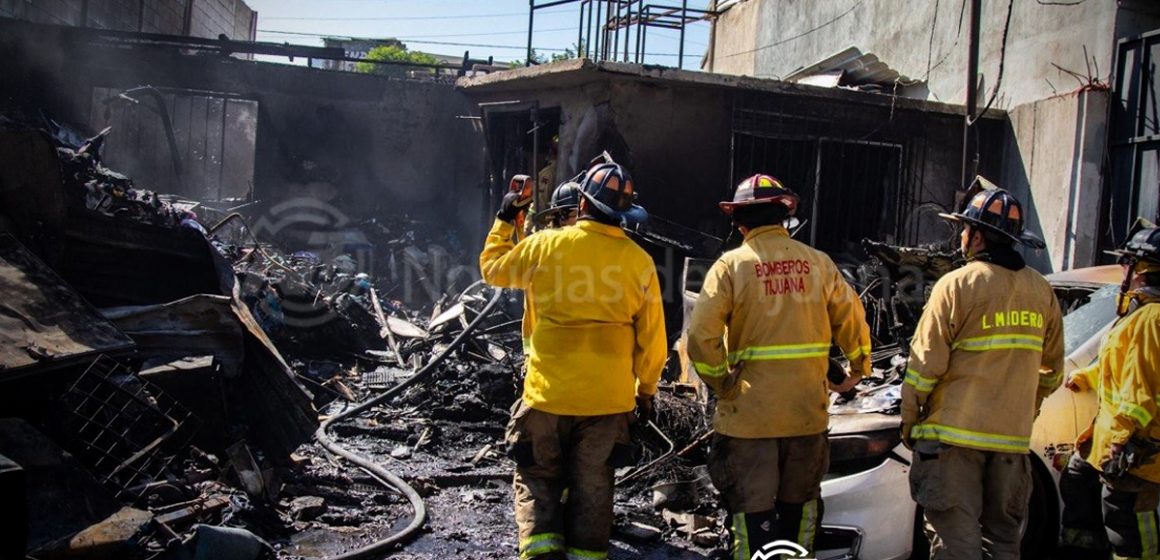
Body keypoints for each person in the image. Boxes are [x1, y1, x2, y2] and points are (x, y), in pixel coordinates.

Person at [479, 156, 667, 560]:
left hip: (548, 397)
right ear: (622, 212)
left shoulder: (546, 245)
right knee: (594, 486)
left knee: (538, 478)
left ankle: (541, 552)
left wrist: (505, 217)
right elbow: (653, 343)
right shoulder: (640, 262)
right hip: (608, 404)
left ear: (581, 203)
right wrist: (645, 392)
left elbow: (493, 270)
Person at [687, 173, 871, 559]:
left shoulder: (730, 267)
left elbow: (701, 340)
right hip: (806, 416)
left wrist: (723, 384)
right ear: (784, 217)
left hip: (749, 420)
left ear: (738, 222)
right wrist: (856, 368)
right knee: (800, 508)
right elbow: (851, 319)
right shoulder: (818, 263)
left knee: (750, 514)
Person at [902, 182, 1064, 560]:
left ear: (976, 236)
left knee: (956, 541)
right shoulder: (1042, 292)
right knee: (1004, 539)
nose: (961, 236)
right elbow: (1052, 372)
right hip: (1011, 444)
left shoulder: (956, 285)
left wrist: (910, 421)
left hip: (953, 442)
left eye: (964, 228)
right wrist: (1024, 410)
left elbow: (925, 365)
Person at [1058, 223, 1160, 560]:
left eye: (1128, 263)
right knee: (1077, 478)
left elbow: (1141, 389)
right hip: (1112, 440)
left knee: (1128, 524)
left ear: (1143, 268)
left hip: (1135, 450)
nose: (1124, 271)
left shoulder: (1151, 319)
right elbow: (1115, 362)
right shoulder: (1138, 313)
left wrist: (1125, 444)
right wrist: (1085, 376)